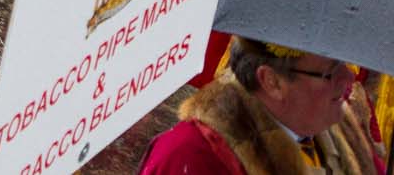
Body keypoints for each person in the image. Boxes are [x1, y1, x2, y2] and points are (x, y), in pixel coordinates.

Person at [138, 38, 378, 175]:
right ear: (271, 81)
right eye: (330, 71)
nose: (349, 79)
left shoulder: (338, 130)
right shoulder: (192, 156)